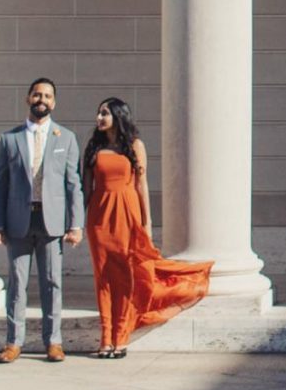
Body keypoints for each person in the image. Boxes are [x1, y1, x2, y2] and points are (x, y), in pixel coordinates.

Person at [82, 97, 212, 357]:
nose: (99, 118)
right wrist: (78, 221)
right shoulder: (94, 148)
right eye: (98, 113)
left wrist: (147, 222)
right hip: (99, 218)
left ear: (118, 116)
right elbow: (87, 188)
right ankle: (106, 337)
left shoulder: (134, 145)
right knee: (103, 278)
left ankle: (121, 337)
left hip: (127, 215)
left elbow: (141, 186)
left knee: (126, 277)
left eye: (105, 113)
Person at [0, 77, 83, 364]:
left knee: (52, 283)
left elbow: (73, 184)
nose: (42, 100)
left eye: (48, 96)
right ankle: (13, 342)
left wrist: (75, 224)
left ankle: (53, 341)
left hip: (51, 222)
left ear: (54, 102)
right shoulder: (9, 139)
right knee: (17, 283)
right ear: (28, 98)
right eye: (37, 95)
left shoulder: (65, 138)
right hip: (19, 220)